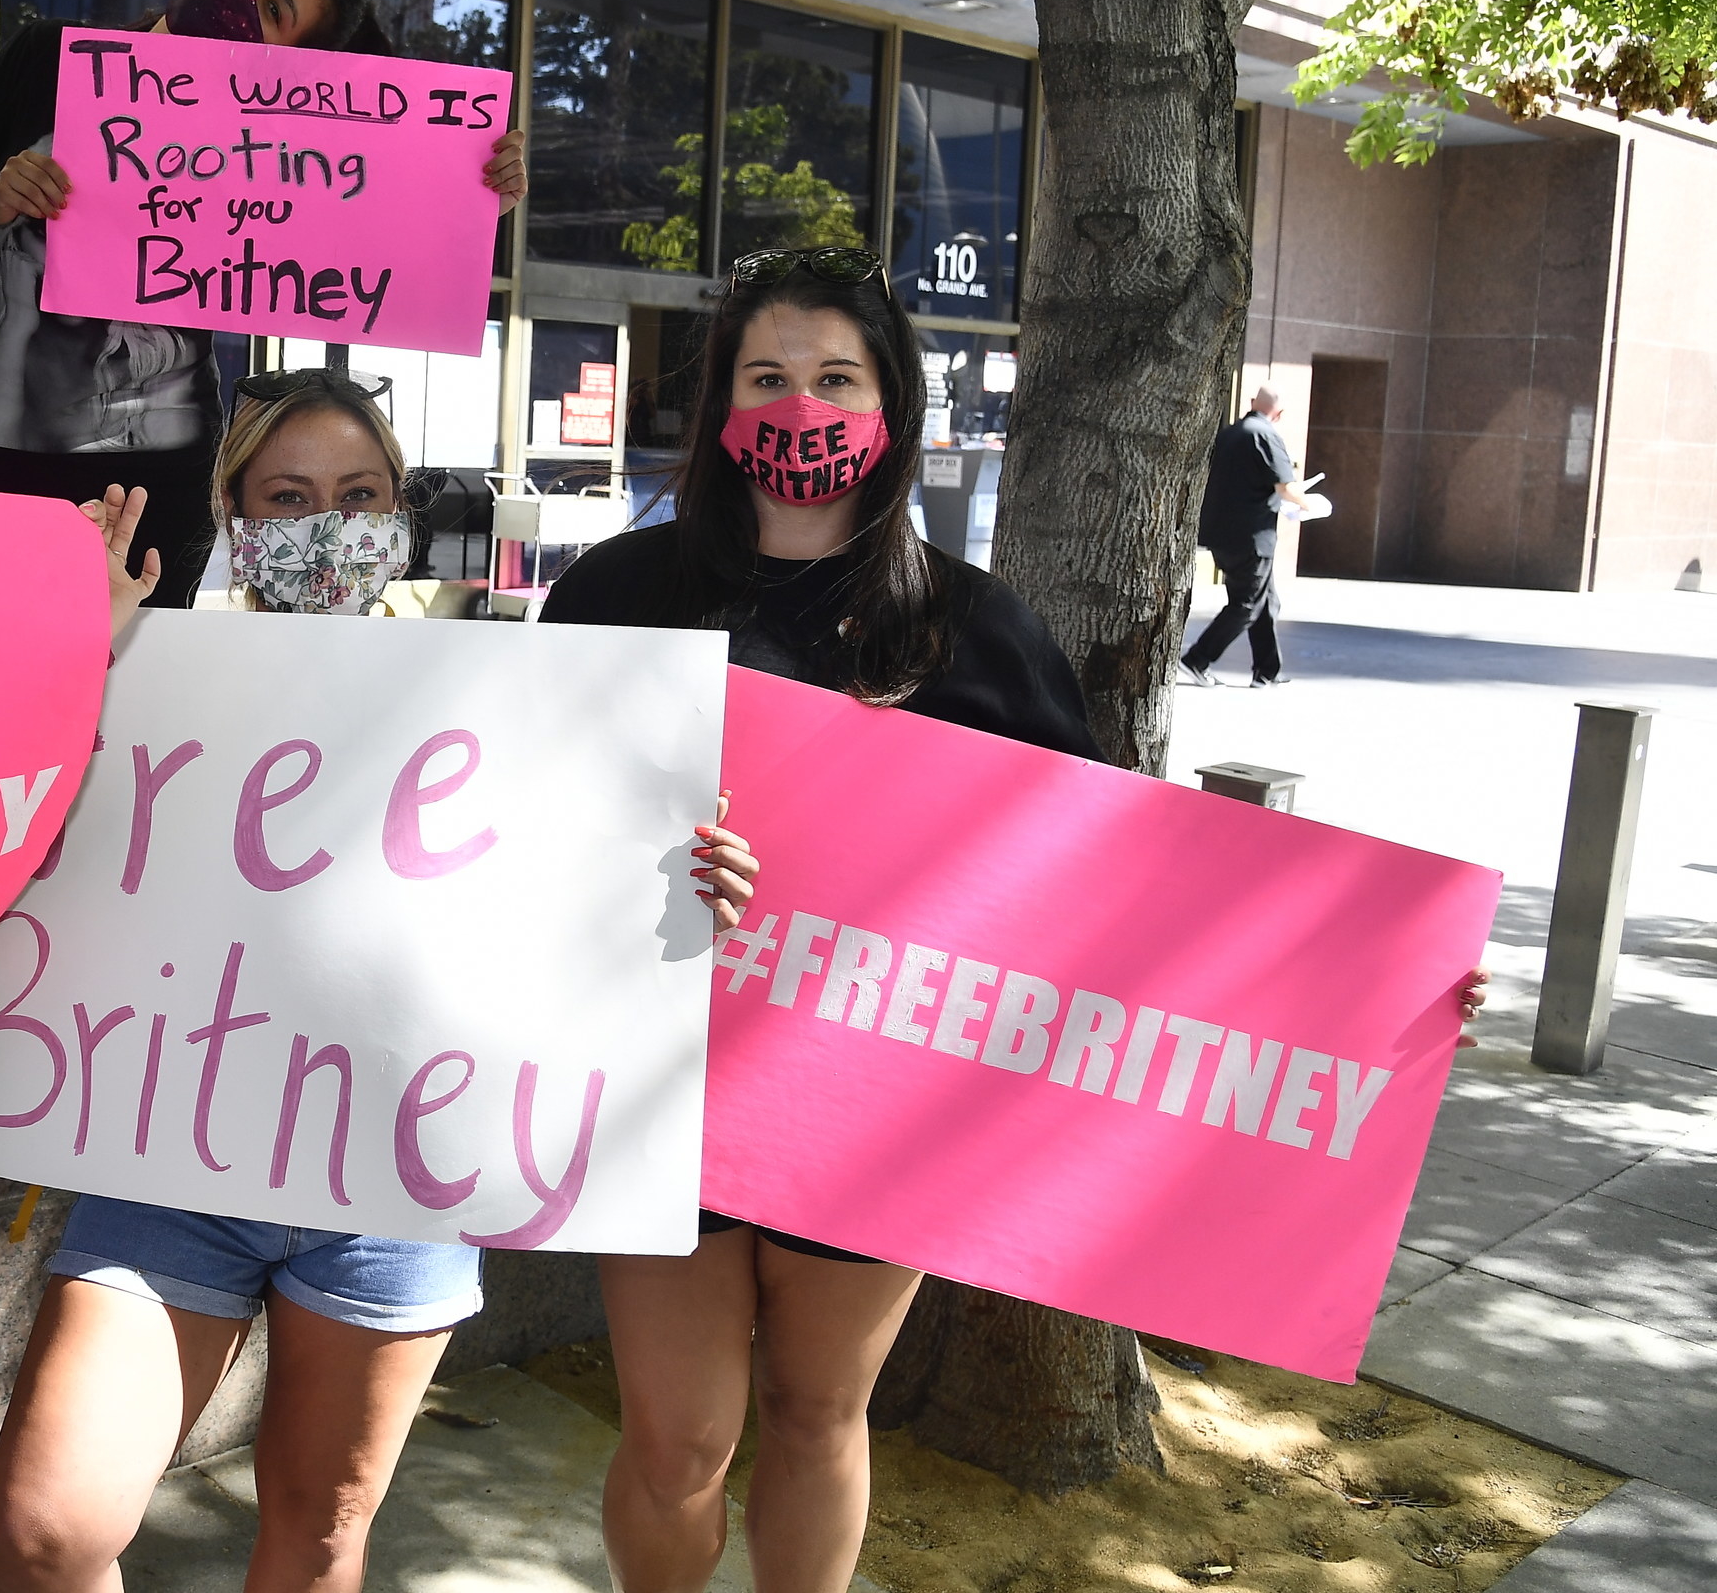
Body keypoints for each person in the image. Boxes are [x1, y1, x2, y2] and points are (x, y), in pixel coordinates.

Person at [536, 250, 1485, 1593]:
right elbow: (511, 827)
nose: (799, 407)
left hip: (868, 1108)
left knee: (817, 1413)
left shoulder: (978, 634)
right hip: (656, 1084)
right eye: (766, 378)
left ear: (891, 407)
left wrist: (1391, 977)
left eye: (833, 379)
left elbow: (1122, 892)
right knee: (678, 1440)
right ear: (719, 406)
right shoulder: (611, 600)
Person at [0, 365, 737, 1593]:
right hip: (173, 1157)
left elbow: (585, 899)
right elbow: (9, 827)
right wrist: (80, 649)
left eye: (359, 492)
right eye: (288, 495)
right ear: (234, 519)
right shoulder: (143, 672)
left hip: (393, 1177)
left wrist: (683, 881)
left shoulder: (506, 697)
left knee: (321, 1536)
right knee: (46, 1528)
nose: (327, 524)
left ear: (401, 513)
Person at [0, 0, 528, 607]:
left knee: (124, 701)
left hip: (157, 487)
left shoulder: (286, 147)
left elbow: (365, 251)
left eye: (276, 9)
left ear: (293, 67)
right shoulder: (48, 57)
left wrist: (470, 203)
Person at [1179, 385, 1312, 687]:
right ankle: (1197, 659)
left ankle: (1267, 672)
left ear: (1253, 403)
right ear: (1279, 414)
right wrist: (1310, 506)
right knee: (1247, 604)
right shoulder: (1265, 435)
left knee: (1266, 601)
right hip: (1252, 537)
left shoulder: (1229, 434)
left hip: (1221, 534)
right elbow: (1285, 486)